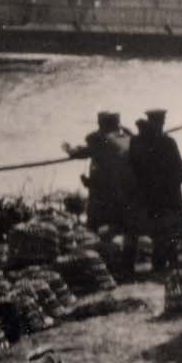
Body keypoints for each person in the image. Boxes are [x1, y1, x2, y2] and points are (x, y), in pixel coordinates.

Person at [63, 111, 139, 270]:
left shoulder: (100, 140)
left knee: (94, 225)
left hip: (109, 195)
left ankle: (95, 264)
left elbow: (78, 153)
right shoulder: (128, 137)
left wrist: (68, 148)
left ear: (101, 124)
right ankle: (127, 264)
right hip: (130, 192)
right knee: (128, 228)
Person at [128, 109, 182, 271]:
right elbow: (180, 169)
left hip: (149, 194)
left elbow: (132, 168)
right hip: (168, 194)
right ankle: (170, 261)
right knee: (169, 229)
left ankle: (160, 262)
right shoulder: (168, 142)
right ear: (161, 123)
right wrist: (175, 183)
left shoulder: (137, 142)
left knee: (157, 230)